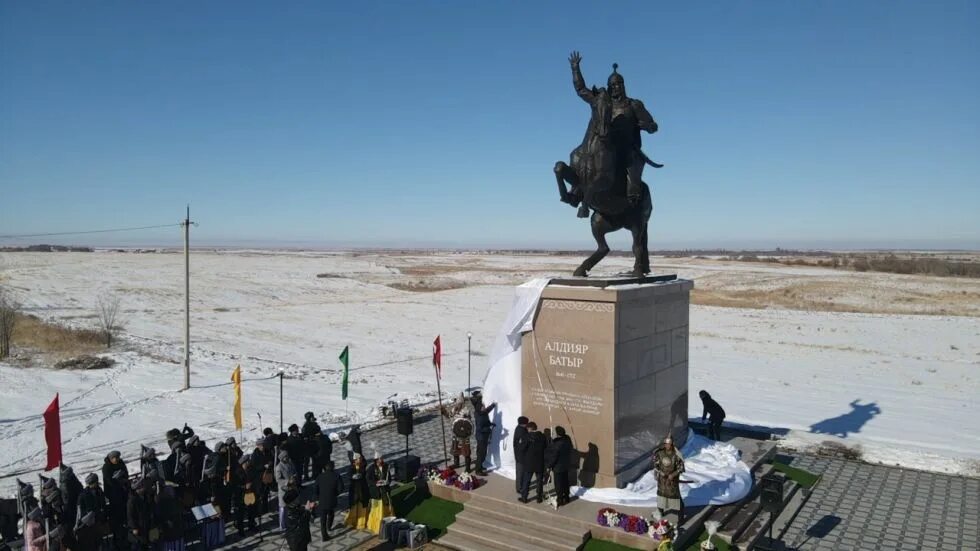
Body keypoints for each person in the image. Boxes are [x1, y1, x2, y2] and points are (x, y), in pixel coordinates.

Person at [652, 434, 686, 525]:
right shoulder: (659, 453)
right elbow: (655, 464)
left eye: (669, 444)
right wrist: (659, 472)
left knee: (676, 498)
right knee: (661, 495)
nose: (667, 446)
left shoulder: (677, 454)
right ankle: (660, 511)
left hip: (672, 481)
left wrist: (673, 474)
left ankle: (681, 517)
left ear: (672, 444)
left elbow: (681, 468)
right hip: (662, 480)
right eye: (666, 444)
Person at [314, 461, 343, 542]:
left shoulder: (320, 476)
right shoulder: (336, 476)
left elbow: (315, 488)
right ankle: (329, 527)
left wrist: (317, 498)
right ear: (333, 467)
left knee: (322, 519)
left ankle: (324, 535)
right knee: (331, 513)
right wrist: (335, 494)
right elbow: (341, 488)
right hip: (331, 500)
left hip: (322, 501)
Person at [518, 422, 546, 503]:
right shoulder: (543, 436)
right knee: (539, 481)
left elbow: (522, 449)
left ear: (530, 428)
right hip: (539, 462)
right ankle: (539, 498)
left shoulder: (527, 437)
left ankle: (524, 497)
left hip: (529, 463)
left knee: (526, 481)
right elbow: (545, 447)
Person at [470, 392, 497, 475]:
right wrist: (489, 427)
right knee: (481, 453)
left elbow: (487, 411)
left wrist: (493, 405)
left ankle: (480, 466)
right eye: (483, 407)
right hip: (482, 437)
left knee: (481, 452)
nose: (485, 407)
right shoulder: (481, 417)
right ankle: (478, 470)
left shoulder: (481, 412)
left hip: (481, 436)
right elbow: (481, 427)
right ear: (480, 408)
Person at [546, 426, 573, 507]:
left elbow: (554, 457)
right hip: (566, 465)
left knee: (558, 484)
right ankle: (567, 497)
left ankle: (560, 500)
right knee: (565, 482)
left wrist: (549, 466)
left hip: (558, 467)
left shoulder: (557, 444)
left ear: (557, 433)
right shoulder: (567, 440)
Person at [365, 454, 392, 535]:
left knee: (386, 505)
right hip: (376, 492)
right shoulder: (371, 468)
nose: (381, 461)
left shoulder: (386, 466)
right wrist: (375, 483)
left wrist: (387, 482)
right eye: (379, 459)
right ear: (376, 460)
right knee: (376, 509)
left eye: (382, 459)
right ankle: (376, 526)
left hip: (384, 490)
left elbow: (389, 477)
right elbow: (368, 479)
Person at [343, 454, 369, 530]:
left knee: (362, 507)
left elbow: (364, 472)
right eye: (358, 459)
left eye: (360, 459)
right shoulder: (351, 468)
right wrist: (352, 476)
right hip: (354, 490)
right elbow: (349, 476)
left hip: (362, 489)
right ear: (355, 460)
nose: (360, 460)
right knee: (354, 507)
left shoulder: (362, 466)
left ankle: (361, 523)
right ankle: (352, 521)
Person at [274, 449, 297, 531]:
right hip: (283, 490)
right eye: (285, 457)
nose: (287, 458)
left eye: (287, 456)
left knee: (291, 506)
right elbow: (278, 479)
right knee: (283, 508)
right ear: (282, 458)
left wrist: (294, 477)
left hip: (291, 488)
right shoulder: (278, 467)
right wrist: (287, 482)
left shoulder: (290, 463)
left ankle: (289, 522)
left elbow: (294, 471)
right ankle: (282, 525)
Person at [57, 465, 82, 530]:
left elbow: (79, 487)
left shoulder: (71, 478)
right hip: (70, 506)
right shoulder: (65, 484)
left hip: (74, 503)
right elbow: (67, 498)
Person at [301, 412, 322, 479]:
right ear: (308, 418)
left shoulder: (314, 424)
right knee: (307, 462)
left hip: (314, 445)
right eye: (311, 417)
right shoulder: (306, 426)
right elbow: (304, 436)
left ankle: (314, 474)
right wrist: (313, 436)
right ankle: (306, 476)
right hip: (308, 446)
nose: (313, 418)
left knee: (314, 461)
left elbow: (318, 430)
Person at [513, 416, 529, 493]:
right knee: (520, 472)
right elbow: (521, 445)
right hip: (520, 456)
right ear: (523, 424)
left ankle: (520, 485)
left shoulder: (520, 428)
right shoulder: (521, 431)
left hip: (520, 455)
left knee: (521, 472)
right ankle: (519, 488)